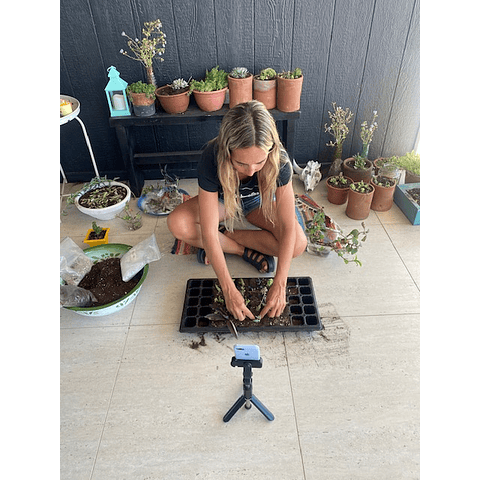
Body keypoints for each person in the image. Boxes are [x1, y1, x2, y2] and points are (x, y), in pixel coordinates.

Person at [167, 100, 307, 321]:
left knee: (297, 244)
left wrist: (280, 283)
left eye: (259, 162)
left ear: (270, 150)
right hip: (224, 202)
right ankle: (241, 251)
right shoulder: (211, 156)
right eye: (241, 163)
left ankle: (227, 237)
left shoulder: (279, 160)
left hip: (258, 203)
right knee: (177, 224)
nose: (251, 171)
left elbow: (288, 225)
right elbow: (209, 231)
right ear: (227, 150)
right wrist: (228, 289)